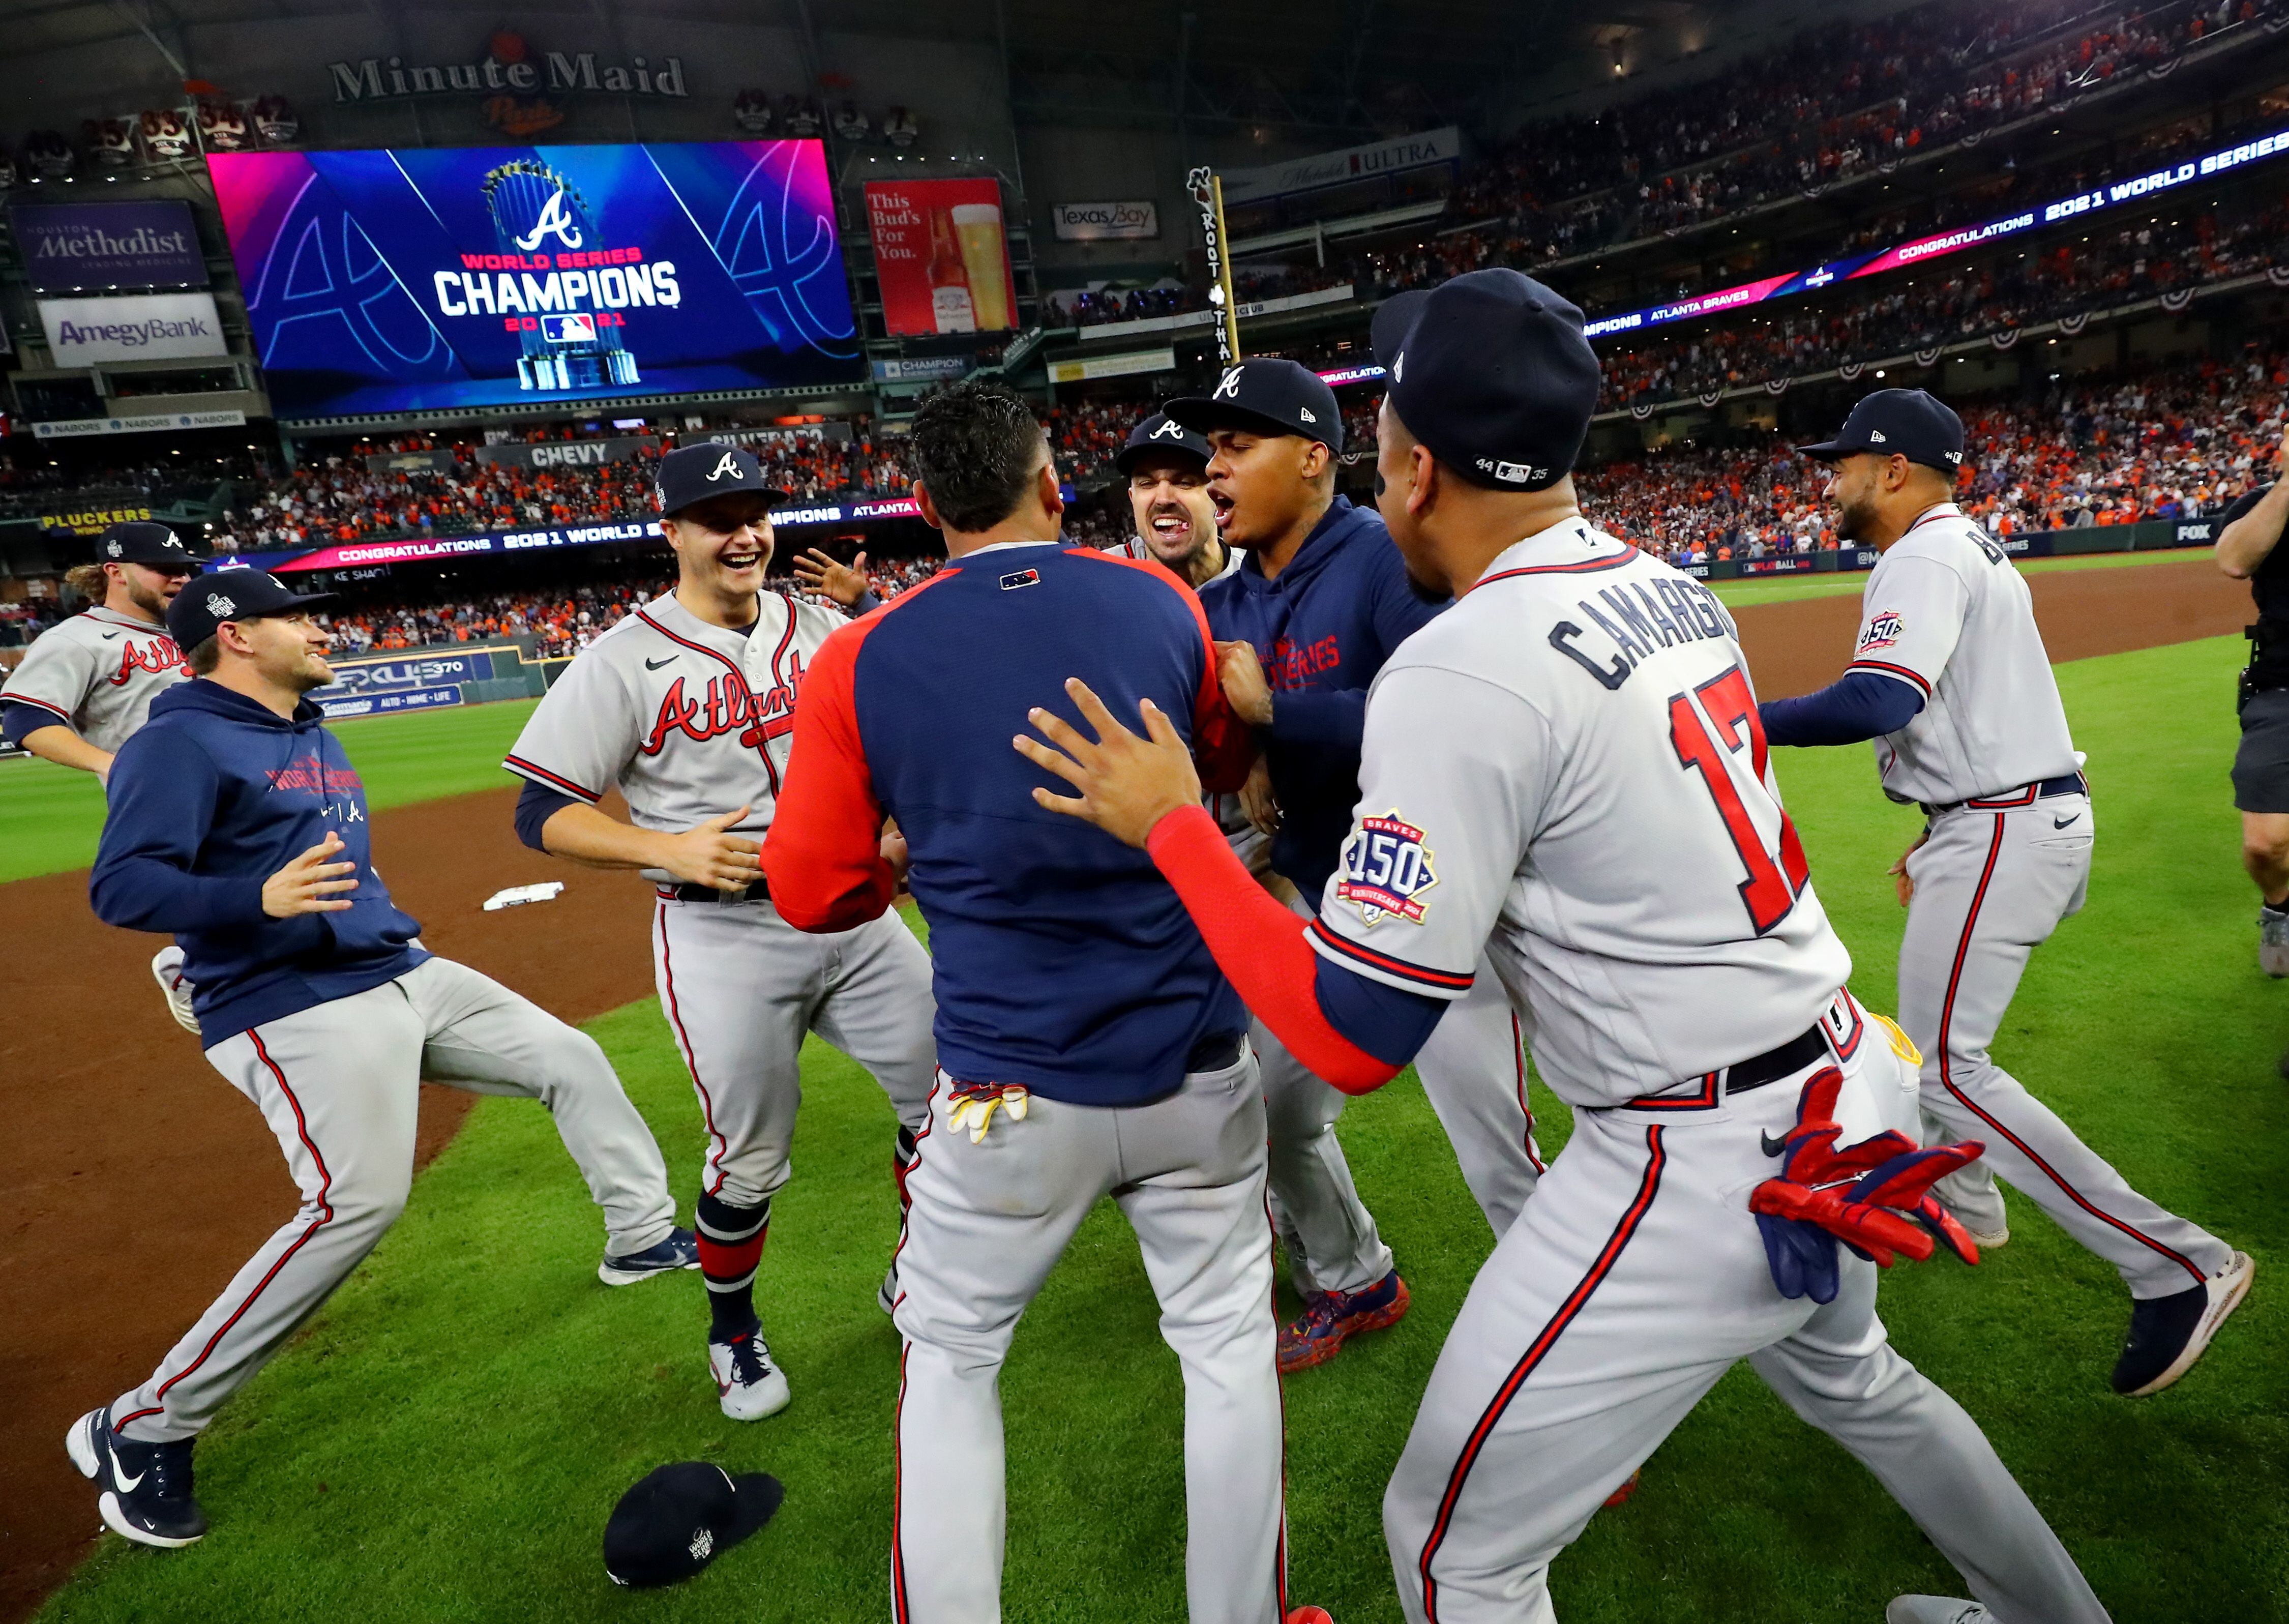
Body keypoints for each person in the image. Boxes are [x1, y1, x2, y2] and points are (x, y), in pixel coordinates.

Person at [1019, 269, 2113, 1624]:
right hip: (1840, 1078)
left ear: (1410, 468)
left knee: (1446, 1547)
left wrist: (1176, 828)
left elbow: (1352, 1040)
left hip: (1698, 1151)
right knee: (1863, 1386)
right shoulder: (1672, 585)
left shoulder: (1458, 661)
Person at [760, 380, 1310, 1624]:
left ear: (919, 505)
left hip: (1006, 1091)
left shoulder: (859, 654)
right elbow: (1213, 771)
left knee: (951, 1361)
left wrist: (903, 855)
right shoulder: (1160, 598)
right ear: (1051, 485)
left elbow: (808, 892)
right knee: (1224, 1353)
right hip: (1195, 1066)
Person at [72, 569, 684, 1550]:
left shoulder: (307, 726)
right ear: (233, 635)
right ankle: (144, 1423)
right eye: (295, 615)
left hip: (400, 968)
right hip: (291, 999)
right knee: (356, 1201)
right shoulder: (175, 739)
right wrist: (249, 907)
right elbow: (123, 882)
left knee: (569, 1056)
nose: (319, 628)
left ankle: (642, 1233)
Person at [1764, 389, 2251, 1397]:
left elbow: (1878, 698)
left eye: (1847, 463)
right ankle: (1974, 1205)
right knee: (1939, 1043)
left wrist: (1736, 715)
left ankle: (2177, 1266)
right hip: (1995, 818)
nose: (1834, 480)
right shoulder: (1967, 547)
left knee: (1946, 1065)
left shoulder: (1925, 554)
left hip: (2002, 825)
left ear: (1894, 469)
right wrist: (1939, 825)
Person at [503, 443, 937, 1423]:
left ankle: (918, 1272)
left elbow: (888, 736)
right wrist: (665, 846)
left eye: (754, 513)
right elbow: (541, 814)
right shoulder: (620, 658)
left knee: (944, 1101)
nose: (742, 533)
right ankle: (732, 1333)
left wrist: (896, 818)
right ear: (672, 533)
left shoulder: (820, 626)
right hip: (723, 936)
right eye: (716, 516)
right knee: (747, 1157)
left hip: (859, 917)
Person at [1166, 359, 1542, 1375]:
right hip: (1328, 901)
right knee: (1275, 1109)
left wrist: (1278, 716)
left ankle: (1577, 1362)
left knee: (1500, 1157)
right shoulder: (1226, 600)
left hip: (1448, 905)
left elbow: (1449, 714)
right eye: (1213, 451)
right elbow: (1225, 746)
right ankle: (1356, 1278)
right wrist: (1244, 757)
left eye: (1237, 447)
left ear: (1314, 456)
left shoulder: (1381, 559)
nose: (1213, 470)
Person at [1, 519, 205, 1028]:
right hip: (166, 796)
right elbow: (28, 721)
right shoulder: (76, 639)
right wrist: (111, 764)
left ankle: (191, 965)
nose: (180, 579)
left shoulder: (197, 632)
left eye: (185, 569)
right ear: (115, 572)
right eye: (164, 569)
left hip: (239, 776)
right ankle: (193, 968)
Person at [2212, 447, 2289, 974]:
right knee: (2265, 844)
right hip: (2281, 687)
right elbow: (2233, 560)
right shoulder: (2265, 503)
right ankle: (2280, 903)